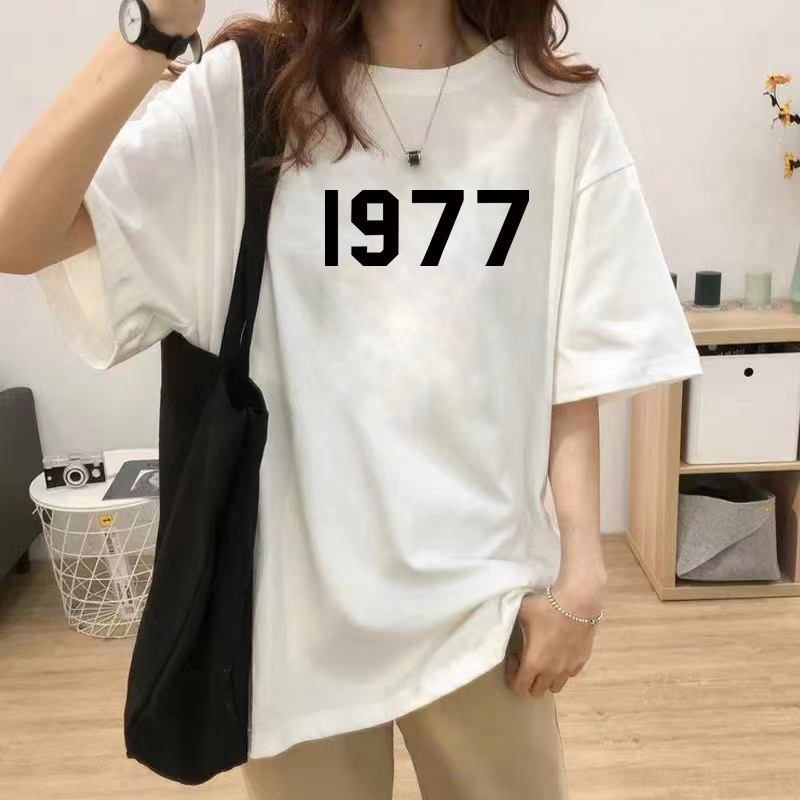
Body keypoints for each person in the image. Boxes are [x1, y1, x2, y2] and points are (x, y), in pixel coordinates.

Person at [0, 0, 702, 797]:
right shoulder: (252, 97)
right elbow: (18, 233)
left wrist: (583, 576)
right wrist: (153, 27)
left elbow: (572, 359)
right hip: (298, 622)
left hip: (485, 610)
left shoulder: (555, 109)